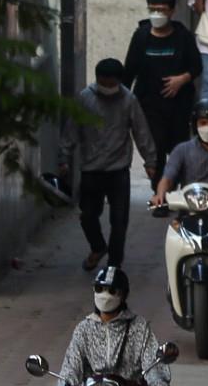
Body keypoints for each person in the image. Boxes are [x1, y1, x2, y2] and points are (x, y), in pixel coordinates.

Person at [60, 58, 157, 271]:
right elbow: (71, 131)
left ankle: (114, 264)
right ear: (98, 80)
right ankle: (98, 246)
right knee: (87, 216)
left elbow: (141, 131)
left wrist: (150, 161)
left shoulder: (129, 100)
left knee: (119, 221)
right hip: (91, 170)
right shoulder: (85, 99)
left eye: (113, 84)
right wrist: (64, 159)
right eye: (105, 83)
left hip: (118, 170)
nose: (109, 88)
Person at [48, 264, 172, 386]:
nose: (105, 295)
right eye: (100, 289)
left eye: (112, 291)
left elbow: (151, 359)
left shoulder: (139, 326)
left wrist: (157, 381)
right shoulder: (83, 329)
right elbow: (71, 366)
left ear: (123, 295)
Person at [124, 0, 201, 160]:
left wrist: (182, 79)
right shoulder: (141, 37)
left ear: (171, 11)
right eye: (152, 10)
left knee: (178, 150)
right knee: (155, 149)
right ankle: (159, 183)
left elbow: (196, 66)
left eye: (161, 10)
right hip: (149, 103)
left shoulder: (183, 36)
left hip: (179, 104)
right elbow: (129, 70)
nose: (157, 14)